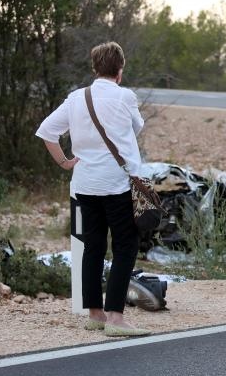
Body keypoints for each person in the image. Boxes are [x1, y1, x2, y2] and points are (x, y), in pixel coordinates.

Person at [35, 41, 150, 337]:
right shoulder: (125, 97)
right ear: (120, 70)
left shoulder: (76, 98)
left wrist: (64, 162)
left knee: (93, 247)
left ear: (95, 68)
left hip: (84, 185)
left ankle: (95, 314)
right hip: (117, 185)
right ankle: (115, 318)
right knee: (125, 245)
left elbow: (47, 131)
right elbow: (136, 129)